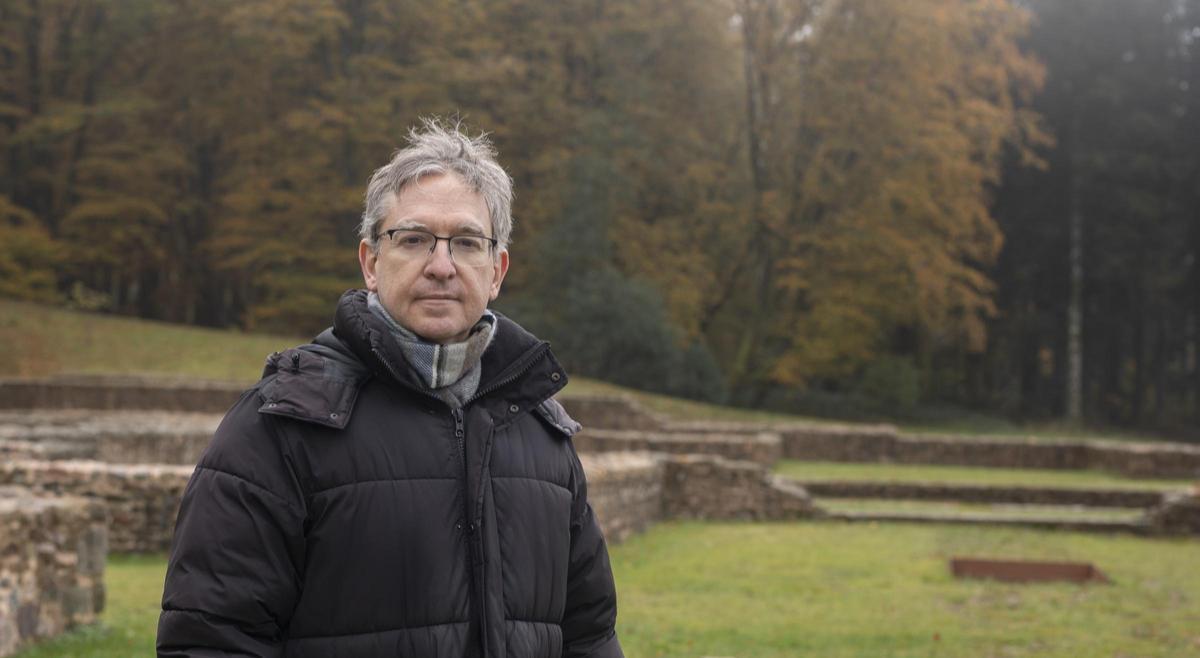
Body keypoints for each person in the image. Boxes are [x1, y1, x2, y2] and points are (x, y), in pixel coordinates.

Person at [157, 119, 623, 658]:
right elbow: (212, 640)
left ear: (496, 271)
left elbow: (590, 636)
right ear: (371, 262)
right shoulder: (283, 423)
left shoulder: (542, 433)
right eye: (414, 239)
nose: (441, 266)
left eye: (467, 242)